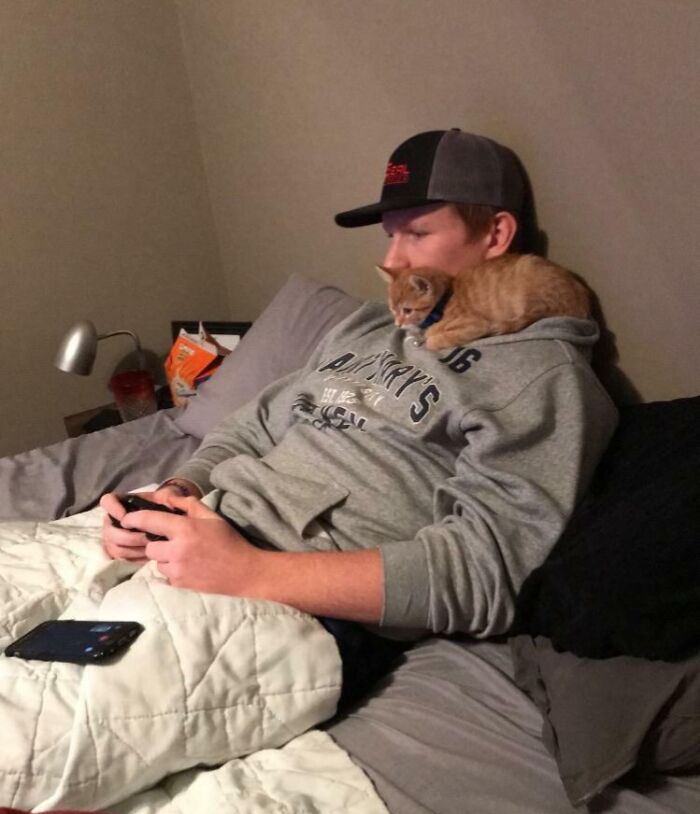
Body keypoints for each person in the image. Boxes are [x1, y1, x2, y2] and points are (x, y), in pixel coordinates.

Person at [101, 129, 617, 661]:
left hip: (300, 596)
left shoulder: (540, 373)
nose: (393, 260)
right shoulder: (369, 326)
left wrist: (247, 571)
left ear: (496, 234)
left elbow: (485, 574)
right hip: (205, 531)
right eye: (390, 235)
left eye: (417, 233)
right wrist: (175, 494)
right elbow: (253, 425)